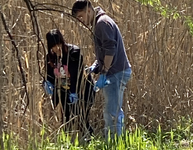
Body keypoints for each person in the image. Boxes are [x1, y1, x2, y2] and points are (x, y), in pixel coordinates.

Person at [71, 0, 132, 139]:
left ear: (88, 10)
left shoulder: (101, 23)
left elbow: (110, 49)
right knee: (111, 110)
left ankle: (115, 143)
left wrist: (104, 72)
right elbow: (104, 51)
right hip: (114, 70)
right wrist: (96, 66)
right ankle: (114, 141)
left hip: (115, 72)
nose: (80, 21)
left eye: (81, 16)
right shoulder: (99, 22)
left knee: (112, 112)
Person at [43, 29, 95, 136]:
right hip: (65, 91)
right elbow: (50, 75)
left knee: (81, 118)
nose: (57, 48)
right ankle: (68, 144)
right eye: (53, 46)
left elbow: (77, 75)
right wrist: (47, 83)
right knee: (67, 121)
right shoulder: (50, 57)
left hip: (82, 90)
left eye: (59, 44)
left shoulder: (74, 53)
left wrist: (74, 92)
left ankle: (91, 139)